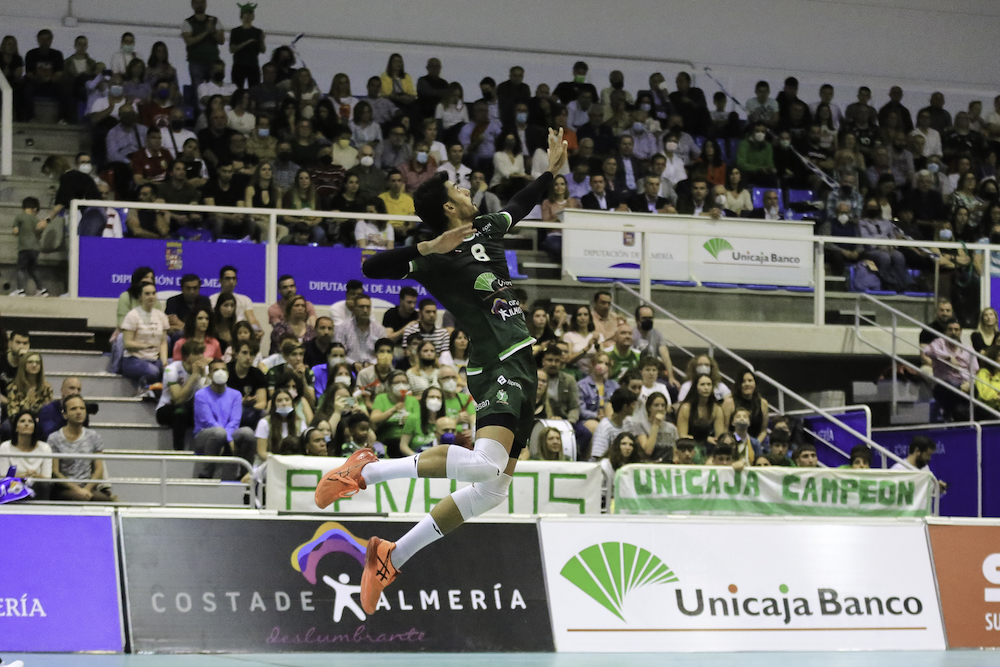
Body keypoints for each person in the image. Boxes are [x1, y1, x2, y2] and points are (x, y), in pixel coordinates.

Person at [314, 128, 569, 614]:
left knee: (492, 491)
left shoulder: (487, 230)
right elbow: (371, 268)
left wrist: (551, 170)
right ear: (448, 207)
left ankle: (391, 555)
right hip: (496, 363)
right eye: (459, 189)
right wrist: (425, 250)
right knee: (487, 465)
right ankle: (367, 469)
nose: (467, 189)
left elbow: (523, 200)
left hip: (522, 363)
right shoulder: (433, 258)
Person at [192, 359, 256, 479]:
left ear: (228, 373)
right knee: (218, 432)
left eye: (223, 369)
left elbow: (235, 421)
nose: (220, 372)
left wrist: (227, 438)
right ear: (209, 375)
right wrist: (228, 438)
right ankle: (206, 475)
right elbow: (208, 422)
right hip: (204, 436)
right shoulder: (201, 395)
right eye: (215, 370)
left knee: (247, 432)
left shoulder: (236, 395)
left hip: (227, 434)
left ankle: (245, 475)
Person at [49, 396, 116, 502]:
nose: (79, 412)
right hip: (64, 488)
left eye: (82, 408)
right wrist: (77, 490)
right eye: (73, 409)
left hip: (88, 488)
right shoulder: (54, 438)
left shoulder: (94, 436)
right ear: (65, 414)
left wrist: (86, 489)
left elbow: (99, 469)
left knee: (106, 500)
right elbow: (55, 472)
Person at [156, 340, 208, 451]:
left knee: (204, 411)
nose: (201, 357)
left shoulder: (203, 370)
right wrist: (194, 376)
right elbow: (178, 399)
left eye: (202, 353)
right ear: (187, 357)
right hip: (166, 408)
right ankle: (178, 450)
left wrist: (203, 377)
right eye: (197, 354)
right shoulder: (172, 369)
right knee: (180, 410)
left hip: (188, 408)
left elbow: (206, 398)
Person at [922, 317, 978, 422]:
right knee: (951, 387)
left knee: (975, 390)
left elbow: (974, 370)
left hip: (964, 384)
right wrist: (947, 357)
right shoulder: (940, 343)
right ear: (945, 331)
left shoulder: (968, 349)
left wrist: (969, 383)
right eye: (950, 329)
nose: (953, 332)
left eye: (956, 330)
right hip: (944, 385)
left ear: (960, 332)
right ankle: (951, 415)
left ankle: (956, 417)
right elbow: (926, 350)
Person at [121, 282, 170, 390]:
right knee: (153, 371)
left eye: (153, 293)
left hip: (154, 359)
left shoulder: (161, 316)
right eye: (147, 294)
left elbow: (163, 342)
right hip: (134, 359)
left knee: (172, 369)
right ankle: (143, 388)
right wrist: (146, 346)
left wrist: (165, 362)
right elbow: (127, 343)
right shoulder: (132, 315)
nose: (151, 296)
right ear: (140, 296)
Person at [0, 410, 52, 499]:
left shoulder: (45, 448)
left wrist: (35, 476)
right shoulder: (5, 447)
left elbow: (47, 478)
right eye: (22, 421)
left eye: (30, 421)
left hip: (37, 486)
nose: (26, 424)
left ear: (35, 427)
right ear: (16, 427)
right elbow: (3, 477)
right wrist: (24, 475)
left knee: (43, 487)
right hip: (13, 487)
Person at [677, 373, 725, 458]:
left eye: (709, 384)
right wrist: (705, 439)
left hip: (710, 448)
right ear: (696, 387)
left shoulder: (717, 409)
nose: (706, 388)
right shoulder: (686, 408)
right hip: (689, 448)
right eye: (702, 384)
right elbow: (682, 436)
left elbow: (719, 437)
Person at [182, 0, 226, 88]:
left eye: (202, 2)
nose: (199, 5)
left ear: (205, 4)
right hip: (196, 61)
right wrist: (206, 32)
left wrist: (213, 31)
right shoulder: (188, 22)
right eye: (197, 3)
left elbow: (221, 40)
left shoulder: (215, 21)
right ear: (192, 5)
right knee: (199, 90)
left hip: (214, 61)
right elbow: (189, 41)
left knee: (215, 89)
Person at [227, 339, 267, 428]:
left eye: (252, 354)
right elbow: (220, 401)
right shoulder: (226, 371)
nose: (248, 357)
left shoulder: (258, 374)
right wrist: (241, 402)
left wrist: (251, 408)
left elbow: (262, 403)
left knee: (263, 414)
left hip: (250, 411)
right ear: (236, 354)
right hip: (227, 411)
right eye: (245, 353)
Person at [590, 388, 638, 461]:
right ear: (625, 407)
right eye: (633, 404)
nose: (635, 407)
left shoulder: (628, 424)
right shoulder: (605, 427)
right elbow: (598, 456)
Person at [11, 197, 46, 297]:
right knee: (33, 270)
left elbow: (15, 231)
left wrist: (15, 233)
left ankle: (21, 290)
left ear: (23, 207)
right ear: (35, 209)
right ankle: (41, 290)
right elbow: (39, 234)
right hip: (35, 249)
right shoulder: (36, 219)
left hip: (24, 248)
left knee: (21, 269)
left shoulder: (19, 217)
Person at [209, 266, 261, 332]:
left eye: (234, 279)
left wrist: (257, 330)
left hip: (239, 333)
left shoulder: (245, 299)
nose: (231, 282)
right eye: (228, 278)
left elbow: (252, 319)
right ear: (220, 281)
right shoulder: (212, 299)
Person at [631, 392, 677, 463]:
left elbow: (675, 453)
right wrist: (655, 425)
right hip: (648, 465)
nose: (660, 408)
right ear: (649, 407)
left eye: (663, 405)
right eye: (656, 405)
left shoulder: (672, 428)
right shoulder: (640, 425)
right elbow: (648, 451)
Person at [229, 2, 264, 89]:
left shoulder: (257, 32)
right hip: (238, 65)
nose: (247, 16)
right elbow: (232, 49)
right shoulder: (236, 31)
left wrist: (262, 40)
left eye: (250, 13)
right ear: (241, 15)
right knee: (237, 90)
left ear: (253, 16)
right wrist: (247, 42)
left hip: (253, 65)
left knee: (254, 90)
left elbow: (263, 50)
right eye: (245, 13)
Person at [732, 370, 769, 443]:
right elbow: (724, 429)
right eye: (743, 381)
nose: (747, 384)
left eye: (750, 380)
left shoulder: (763, 403)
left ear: (755, 383)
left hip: (755, 442)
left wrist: (754, 444)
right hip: (733, 443)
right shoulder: (730, 402)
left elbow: (763, 431)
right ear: (739, 385)